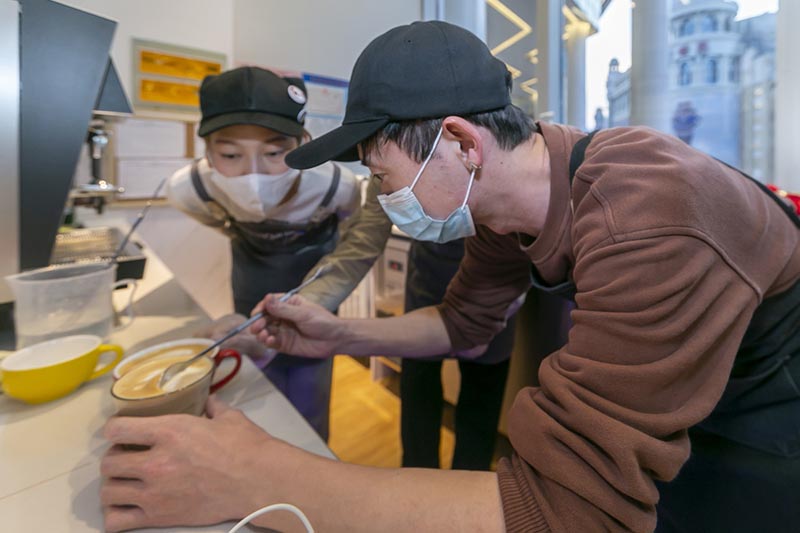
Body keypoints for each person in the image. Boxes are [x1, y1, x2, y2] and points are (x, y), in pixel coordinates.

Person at [101, 21, 800, 532]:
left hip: (770, 406)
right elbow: (465, 326)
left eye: (384, 176)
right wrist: (333, 332)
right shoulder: (500, 209)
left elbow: (571, 510)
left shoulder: (646, 209)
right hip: (681, 402)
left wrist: (259, 476)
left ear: (462, 143)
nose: (384, 200)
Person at [165, 66, 391, 440]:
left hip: (314, 292)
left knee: (309, 398)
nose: (254, 174)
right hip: (249, 285)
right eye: (230, 154)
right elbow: (212, 219)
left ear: (303, 141)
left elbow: (356, 232)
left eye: (274, 152)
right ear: (206, 149)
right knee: (252, 392)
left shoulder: (334, 185)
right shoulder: (190, 189)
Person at [401, 238, 517, 471]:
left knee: (481, 400)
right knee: (419, 392)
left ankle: (467, 486)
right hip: (430, 272)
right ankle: (417, 483)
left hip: (497, 275)